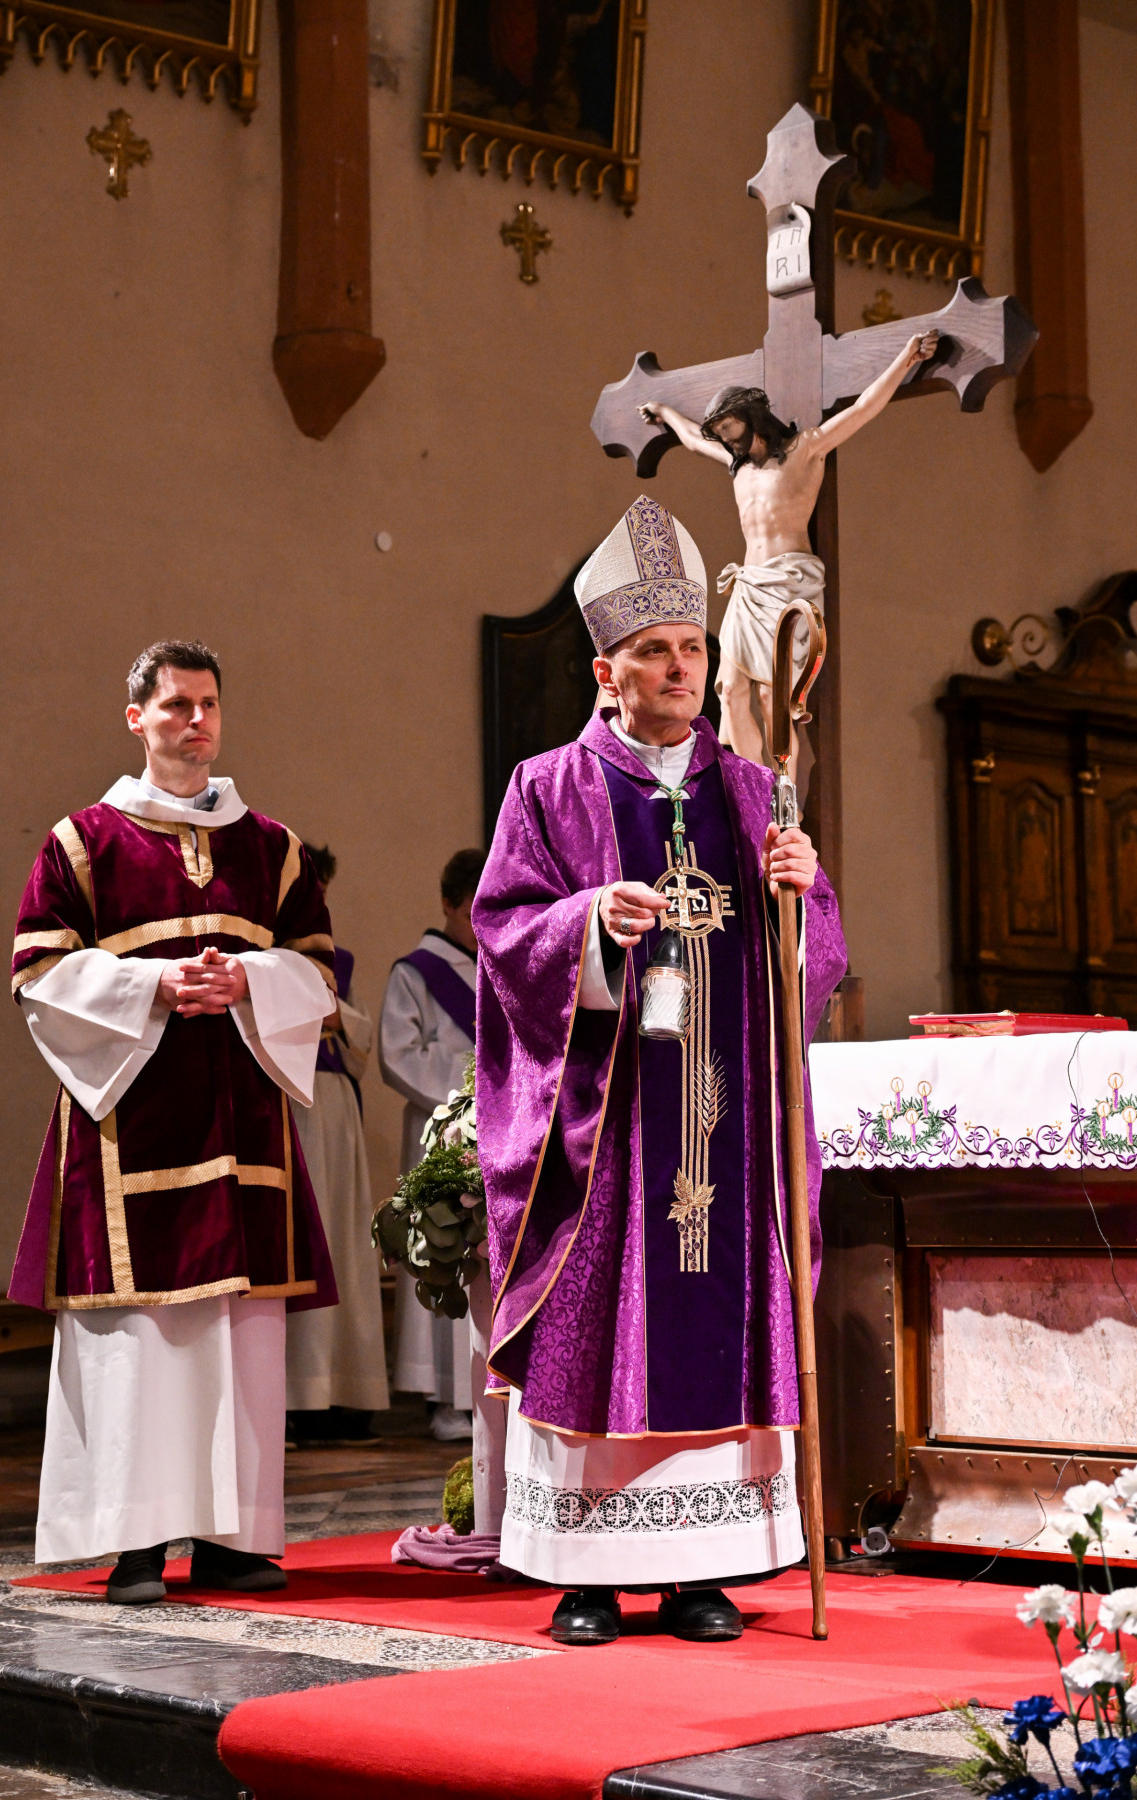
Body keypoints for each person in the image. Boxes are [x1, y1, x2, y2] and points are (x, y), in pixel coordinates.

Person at [473, 496, 847, 1645]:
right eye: (654, 652)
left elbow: (817, 963)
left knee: (716, 1313)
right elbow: (504, 933)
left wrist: (799, 897)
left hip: (728, 1119)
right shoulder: (548, 788)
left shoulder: (755, 794)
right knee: (599, 1318)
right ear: (607, 672)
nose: (681, 670)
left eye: (692, 648)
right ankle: (587, 1574)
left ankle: (702, 1569)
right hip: (612, 1127)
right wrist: (589, 922)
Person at [8, 640, 338, 1605]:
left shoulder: (269, 847)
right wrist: (151, 984)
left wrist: (251, 980)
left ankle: (235, 1540)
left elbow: (319, 969)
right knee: (143, 1344)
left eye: (209, 705)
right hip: (131, 1129)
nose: (196, 721)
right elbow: (37, 971)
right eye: (177, 705)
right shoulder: (83, 843)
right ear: (136, 718)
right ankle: (138, 1543)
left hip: (243, 1132)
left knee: (241, 1336)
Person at [639, 329, 939, 770]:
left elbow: (864, 408)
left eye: (728, 428)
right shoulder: (737, 466)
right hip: (749, 586)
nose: (726, 440)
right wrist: (665, 411)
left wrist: (907, 358)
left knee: (772, 698)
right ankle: (750, 789)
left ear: (750, 416)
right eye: (720, 433)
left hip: (788, 582)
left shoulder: (805, 449)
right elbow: (691, 438)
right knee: (730, 691)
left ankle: (783, 795)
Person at [284, 844, 389, 1448]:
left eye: (321, 891)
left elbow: (359, 1037)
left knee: (345, 1245)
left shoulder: (335, 962)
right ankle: (298, 1398)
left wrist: (337, 1017)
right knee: (302, 1242)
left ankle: (346, 1392)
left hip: (336, 1109)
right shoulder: (263, 957)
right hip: (290, 1109)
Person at [378, 849, 484, 1442]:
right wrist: (470, 1076)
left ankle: (484, 1389)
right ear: (447, 903)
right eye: (469, 911)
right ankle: (445, 1399)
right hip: (439, 1128)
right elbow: (398, 1055)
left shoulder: (496, 962)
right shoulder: (416, 972)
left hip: (493, 1128)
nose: (477, 922)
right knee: (443, 1248)